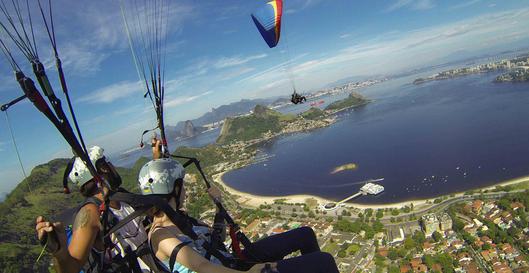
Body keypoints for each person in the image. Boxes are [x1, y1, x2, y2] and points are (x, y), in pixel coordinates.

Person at [138, 157, 339, 273]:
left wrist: (219, 208)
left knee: (305, 234)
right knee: (324, 261)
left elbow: (217, 241)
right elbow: (202, 266)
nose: (186, 191)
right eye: (182, 186)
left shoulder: (183, 220)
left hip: (233, 261)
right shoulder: (160, 235)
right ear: (174, 188)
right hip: (233, 270)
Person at [35, 146, 154, 273]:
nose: (112, 167)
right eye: (107, 164)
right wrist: (60, 252)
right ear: (103, 169)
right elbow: (71, 268)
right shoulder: (90, 213)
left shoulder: (121, 197)